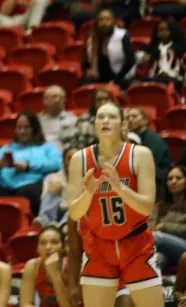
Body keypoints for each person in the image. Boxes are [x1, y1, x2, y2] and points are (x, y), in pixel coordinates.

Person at [67, 102, 163, 307]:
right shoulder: (80, 159)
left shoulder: (140, 154)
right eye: (100, 117)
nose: (105, 121)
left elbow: (147, 207)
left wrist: (120, 188)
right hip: (99, 246)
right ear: (94, 125)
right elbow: (75, 213)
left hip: (136, 244)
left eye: (111, 117)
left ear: (122, 124)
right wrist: (89, 193)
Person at [0, 111, 62, 215]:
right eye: (19, 127)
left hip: (31, 186)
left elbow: (57, 164)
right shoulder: (5, 149)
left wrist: (28, 166)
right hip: (5, 187)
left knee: (29, 193)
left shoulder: (46, 147)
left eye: (26, 127)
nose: (22, 131)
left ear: (34, 129)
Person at [151, 166, 186, 270]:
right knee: (156, 259)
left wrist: (164, 227)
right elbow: (150, 228)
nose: (173, 182)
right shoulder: (159, 206)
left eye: (178, 178)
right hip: (164, 249)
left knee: (157, 237)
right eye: (170, 179)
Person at [80, 9, 135, 89]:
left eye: (108, 19)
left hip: (119, 77)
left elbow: (131, 61)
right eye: (101, 19)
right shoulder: (91, 38)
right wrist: (87, 71)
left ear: (113, 21)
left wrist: (116, 80)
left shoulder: (122, 35)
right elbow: (85, 62)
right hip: (98, 78)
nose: (105, 23)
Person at [16, 226, 70, 307]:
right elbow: (25, 303)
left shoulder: (71, 266)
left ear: (63, 247)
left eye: (54, 242)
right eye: (43, 243)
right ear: (38, 248)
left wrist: (55, 274)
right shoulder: (33, 266)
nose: (48, 247)